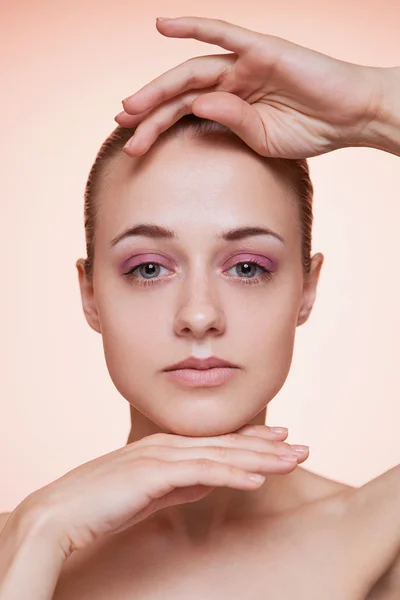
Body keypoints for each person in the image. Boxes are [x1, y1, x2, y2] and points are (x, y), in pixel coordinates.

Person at [0, 15, 399, 600]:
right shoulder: (22, 545)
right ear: (90, 295)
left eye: (246, 267)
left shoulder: (382, 538)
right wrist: (38, 537)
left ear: (306, 288)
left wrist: (372, 107)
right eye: (149, 268)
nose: (199, 315)